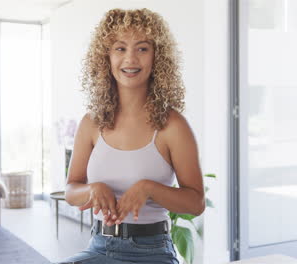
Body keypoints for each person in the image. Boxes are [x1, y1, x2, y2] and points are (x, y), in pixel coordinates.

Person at [57, 8, 204, 264]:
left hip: (153, 252)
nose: (131, 59)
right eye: (120, 48)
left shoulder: (173, 126)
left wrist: (149, 189)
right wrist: (93, 189)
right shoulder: (92, 123)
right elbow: (71, 190)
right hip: (99, 247)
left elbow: (196, 202)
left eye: (143, 48)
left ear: (157, 57)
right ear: (106, 56)